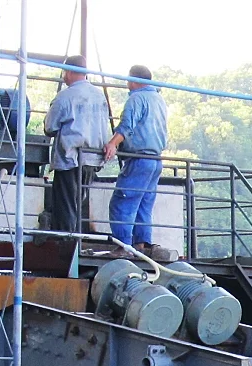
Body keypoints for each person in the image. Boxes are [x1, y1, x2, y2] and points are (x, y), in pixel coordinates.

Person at [104, 64, 169, 258]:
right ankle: (141, 244)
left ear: (133, 80)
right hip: (155, 159)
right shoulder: (158, 99)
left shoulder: (136, 99)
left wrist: (113, 143)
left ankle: (123, 246)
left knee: (122, 201)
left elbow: (127, 125)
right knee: (143, 203)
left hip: (139, 158)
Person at [43, 54, 111, 234]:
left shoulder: (65, 97)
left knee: (65, 204)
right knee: (79, 201)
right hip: (93, 157)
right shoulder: (99, 96)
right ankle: (76, 239)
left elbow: (50, 127)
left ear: (69, 72)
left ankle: (65, 240)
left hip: (70, 157)